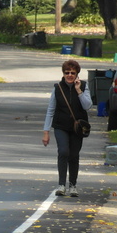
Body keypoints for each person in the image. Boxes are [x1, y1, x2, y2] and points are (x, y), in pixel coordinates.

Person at [42, 59, 92, 197]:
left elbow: (88, 106)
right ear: (63, 73)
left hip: (77, 128)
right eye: (67, 72)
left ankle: (73, 185)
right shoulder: (57, 88)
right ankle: (61, 185)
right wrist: (46, 131)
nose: (69, 75)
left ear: (77, 74)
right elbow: (50, 110)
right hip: (61, 126)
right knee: (63, 151)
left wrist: (79, 90)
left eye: (73, 73)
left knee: (74, 155)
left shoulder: (84, 86)